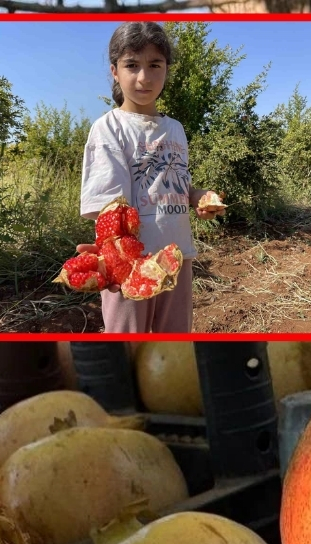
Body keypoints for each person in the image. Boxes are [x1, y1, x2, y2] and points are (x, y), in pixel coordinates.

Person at [79, 21, 223, 334]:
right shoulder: (109, 129)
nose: (144, 77)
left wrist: (198, 197)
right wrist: (115, 260)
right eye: (132, 65)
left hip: (178, 257)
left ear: (166, 69)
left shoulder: (175, 130)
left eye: (155, 65)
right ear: (115, 71)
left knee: (173, 344)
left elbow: (173, 185)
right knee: (128, 344)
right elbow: (111, 207)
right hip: (130, 265)